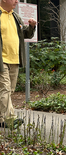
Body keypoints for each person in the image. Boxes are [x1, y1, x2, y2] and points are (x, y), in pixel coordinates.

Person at [0, 0, 37, 128]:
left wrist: (31, 26)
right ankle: (10, 119)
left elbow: (25, 33)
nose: (17, 1)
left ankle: (1, 120)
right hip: (2, 59)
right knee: (4, 88)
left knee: (8, 91)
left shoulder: (16, 16)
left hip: (14, 59)